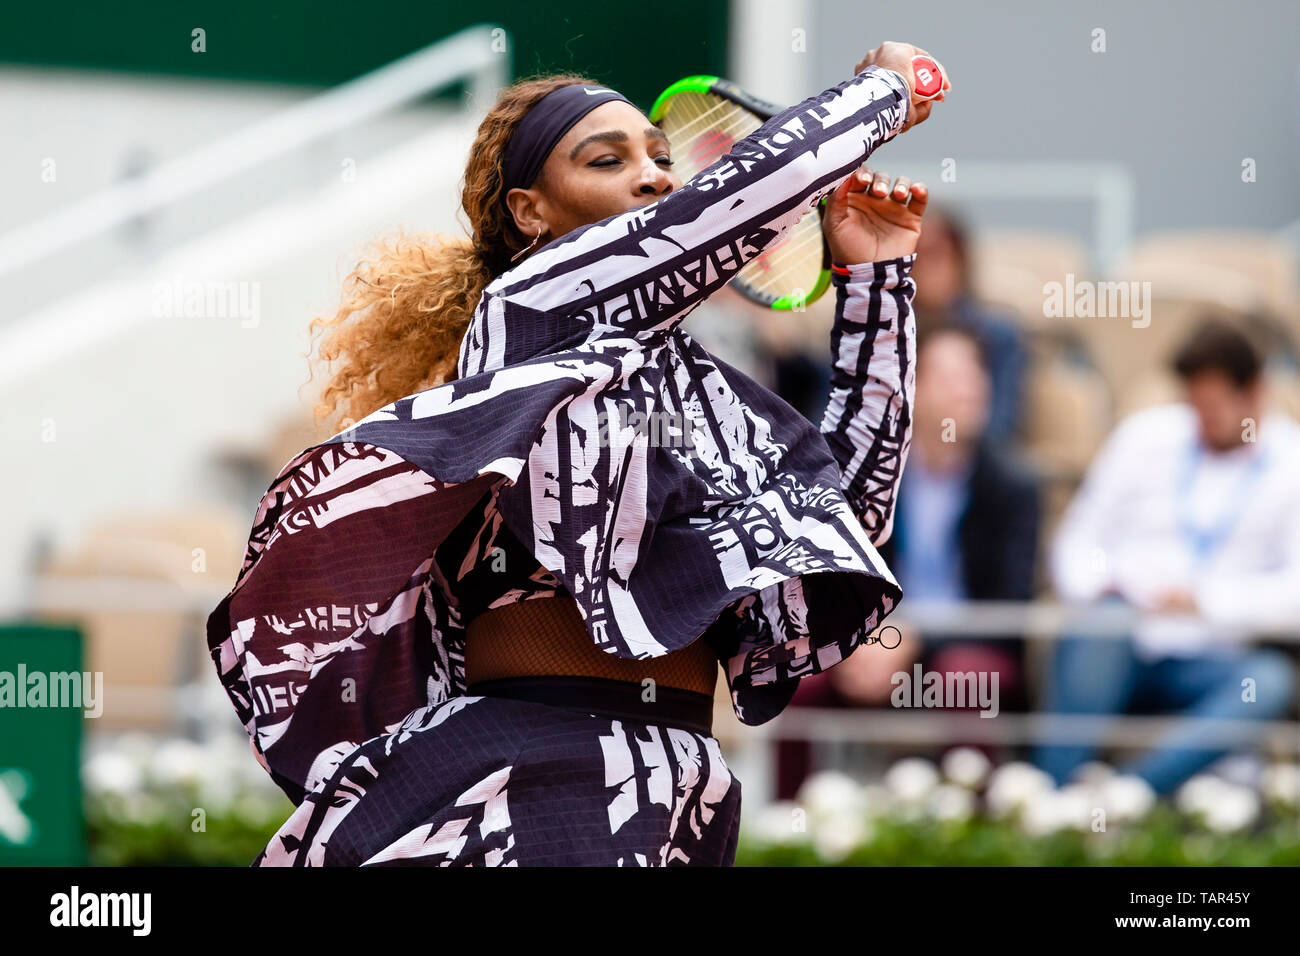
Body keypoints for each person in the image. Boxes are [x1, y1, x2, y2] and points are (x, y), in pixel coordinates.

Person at [205, 42, 951, 866]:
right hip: (522, 774)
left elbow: (848, 518)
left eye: (663, 159)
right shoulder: (529, 309)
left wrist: (879, 283)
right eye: (609, 159)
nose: (656, 177)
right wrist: (883, 92)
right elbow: (718, 213)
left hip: (677, 786)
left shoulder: (716, 401)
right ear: (531, 212)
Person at [1033, 316, 1299, 795]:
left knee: (1269, 682)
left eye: (1215, 407)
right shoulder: (1144, 437)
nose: (1202, 420)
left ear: (1256, 394)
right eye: (1194, 404)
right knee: (1101, 626)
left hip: (1214, 652)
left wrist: (1207, 601)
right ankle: (1050, 800)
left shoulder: (1290, 463)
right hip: (1123, 638)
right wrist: (1108, 585)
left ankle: (1126, 797)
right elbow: (1077, 539)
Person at [775, 323, 1040, 797]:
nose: (969, 390)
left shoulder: (1013, 487)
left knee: (965, 679)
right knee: (800, 679)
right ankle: (791, 829)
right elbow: (836, 579)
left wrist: (911, 640)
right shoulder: (871, 478)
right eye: (950, 378)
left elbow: (1008, 611)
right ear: (909, 390)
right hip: (878, 642)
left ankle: (968, 835)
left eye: (975, 375)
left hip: (960, 647)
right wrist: (858, 642)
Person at [908, 204, 1027, 444]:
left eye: (941, 254)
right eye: (920, 254)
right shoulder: (877, 333)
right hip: (892, 465)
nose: (932, 267)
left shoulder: (996, 335)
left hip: (969, 466)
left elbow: (999, 428)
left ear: (960, 260)